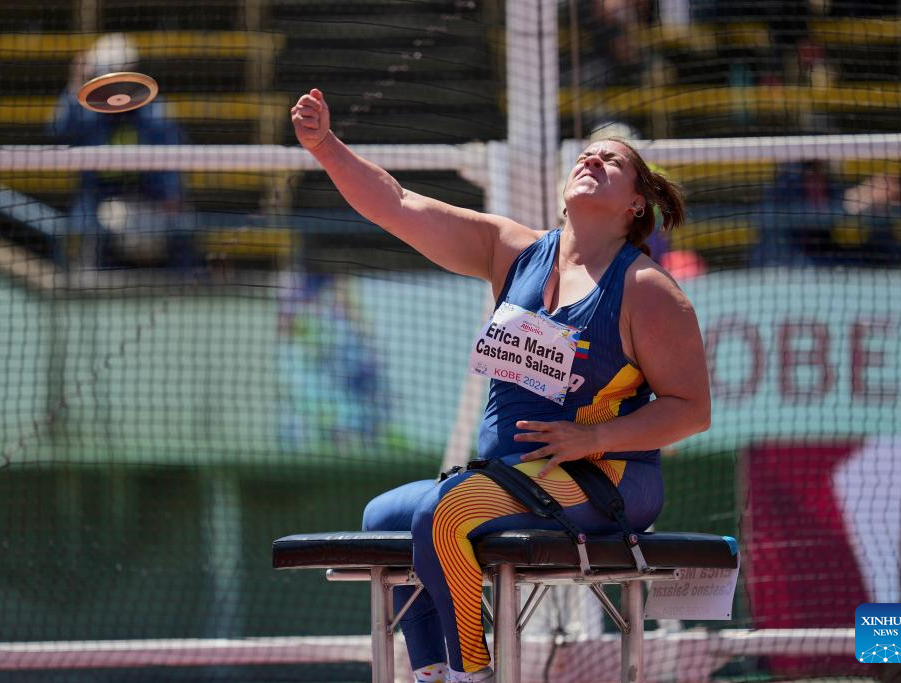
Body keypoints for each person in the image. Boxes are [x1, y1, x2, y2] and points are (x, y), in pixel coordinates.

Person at [291, 88, 711, 683]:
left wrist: (592, 440)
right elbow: (398, 204)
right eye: (586, 155)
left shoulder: (647, 289)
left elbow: (691, 410)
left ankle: (473, 674)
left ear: (636, 203)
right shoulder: (514, 253)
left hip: (605, 477)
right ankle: (432, 673)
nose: (591, 159)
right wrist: (324, 145)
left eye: (611, 160)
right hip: (517, 474)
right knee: (383, 515)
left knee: (444, 513)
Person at [50, 33, 188, 271]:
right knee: (84, 229)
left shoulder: (155, 111)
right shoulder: (86, 110)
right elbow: (58, 129)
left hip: (147, 196)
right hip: (97, 198)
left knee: (183, 228)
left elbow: (171, 157)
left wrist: (170, 196)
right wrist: (75, 85)